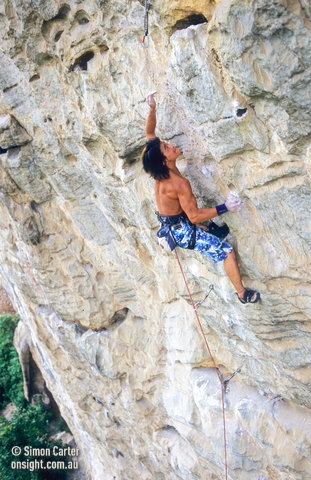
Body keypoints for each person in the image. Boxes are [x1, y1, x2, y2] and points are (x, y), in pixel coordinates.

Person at [142, 93, 260, 304]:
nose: (170, 145)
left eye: (166, 144)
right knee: (227, 251)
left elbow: (149, 132)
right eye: (167, 148)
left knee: (210, 228)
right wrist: (226, 207)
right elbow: (194, 216)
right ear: (163, 161)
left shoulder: (154, 159)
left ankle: (210, 230)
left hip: (173, 219)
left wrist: (152, 108)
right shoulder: (179, 185)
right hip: (183, 231)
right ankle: (242, 294)